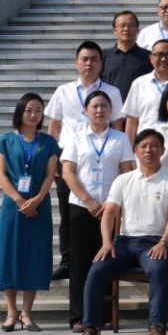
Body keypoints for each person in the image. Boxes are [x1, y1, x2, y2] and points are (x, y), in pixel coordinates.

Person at [80, 129, 168, 335]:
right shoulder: (123, 180)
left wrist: (163, 242)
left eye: (154, 146)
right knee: (97, 270)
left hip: (155, 243)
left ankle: (156, 325)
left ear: (162, 150)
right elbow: (109, 212)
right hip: (124, 243)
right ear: (135, 151)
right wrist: (106, 242)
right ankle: (90, 325)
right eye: (143, 146)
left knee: (157, 269)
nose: (148, 150)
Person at [61, 91, 135, 332]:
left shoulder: (120, 138)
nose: (100, 110)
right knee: (80, 264)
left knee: (105, 262)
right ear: (85, 110)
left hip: (110, 209)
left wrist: (114, 202)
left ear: (111, 110)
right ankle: (79, 317)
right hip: (82, 207)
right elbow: (67, 172)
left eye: (104, 105)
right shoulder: (77, 137)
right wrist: (89, 201)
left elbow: (126, 171)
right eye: (94, 106)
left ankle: (103, 314)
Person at [0, 94, 60, 331]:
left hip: (39, 205)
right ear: (20, 112)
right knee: (10, 255)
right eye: (29, 110)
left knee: (34, 255)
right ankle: (11, 312)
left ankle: (26, 313)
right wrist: (19, 200)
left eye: (38, 111)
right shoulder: (5, 140)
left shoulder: (48, 142)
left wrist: (36, 200)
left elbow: (50, 175)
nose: (34, 115)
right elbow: (2, 175)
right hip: (12, 206)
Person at [123, 39, 168, 142]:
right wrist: (128, 150)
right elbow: (132, 121)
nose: (164, 59)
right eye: (159, 55)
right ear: (151, 58)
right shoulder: (139, 84)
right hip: (146, 146)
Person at [103, 10, 152, 97]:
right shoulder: (103, 56)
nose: (126, 29)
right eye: (122, 26)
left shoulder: (148, 57)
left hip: (138, 103)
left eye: (131, 25)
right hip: (110, 103)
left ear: (137, 29)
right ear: (114, 30)